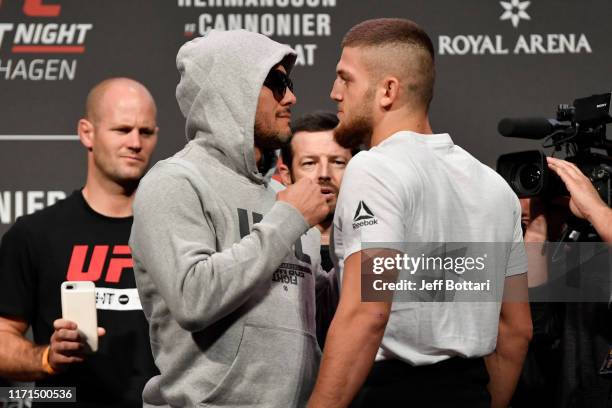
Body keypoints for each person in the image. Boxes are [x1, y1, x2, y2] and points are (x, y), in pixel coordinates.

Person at [307, 18, 533, 408]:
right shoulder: (495, 188)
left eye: (346, 79)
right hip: (471, 391)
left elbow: (367, 309)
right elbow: (516, 330)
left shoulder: (376, 168)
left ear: (387, 90)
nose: (334, 93)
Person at [129, 30, 330, 408]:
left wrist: (363, 258)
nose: (291, 97)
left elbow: (315, 314)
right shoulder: (174, 182)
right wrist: (288, 217)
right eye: (276, 82)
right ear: (231, 90)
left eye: (291, 82)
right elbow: (193, 298)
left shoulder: (281, 197)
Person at [0, 77, 160, 407]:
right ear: (87, 132)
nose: (135, 142)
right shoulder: (35, 233)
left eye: (145, 132)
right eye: (122, 129)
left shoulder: (176, 234)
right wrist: (46, 357)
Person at [278, 111, 354, 346]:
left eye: (338, 162)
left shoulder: (376, 250)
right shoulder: (268, 250)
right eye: (309, 163)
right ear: (286, 174)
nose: (323, 175)